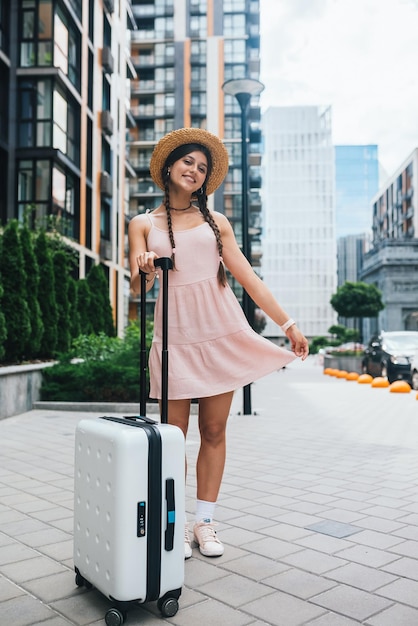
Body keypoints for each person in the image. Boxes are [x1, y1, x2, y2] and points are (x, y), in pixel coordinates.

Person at [128, 128, 309, 560]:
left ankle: (204, 522)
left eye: (202, 167)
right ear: (170, 167)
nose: (194, 170)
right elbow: (137, 284)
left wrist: (288, 323)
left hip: (220, 333)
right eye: (188, 162)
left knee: (213, 430)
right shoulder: (142, 224)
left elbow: (247, 277)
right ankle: (171, 521)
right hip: (174, 341)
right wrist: (145, 266)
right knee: (173, 437)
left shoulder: (216, 222)